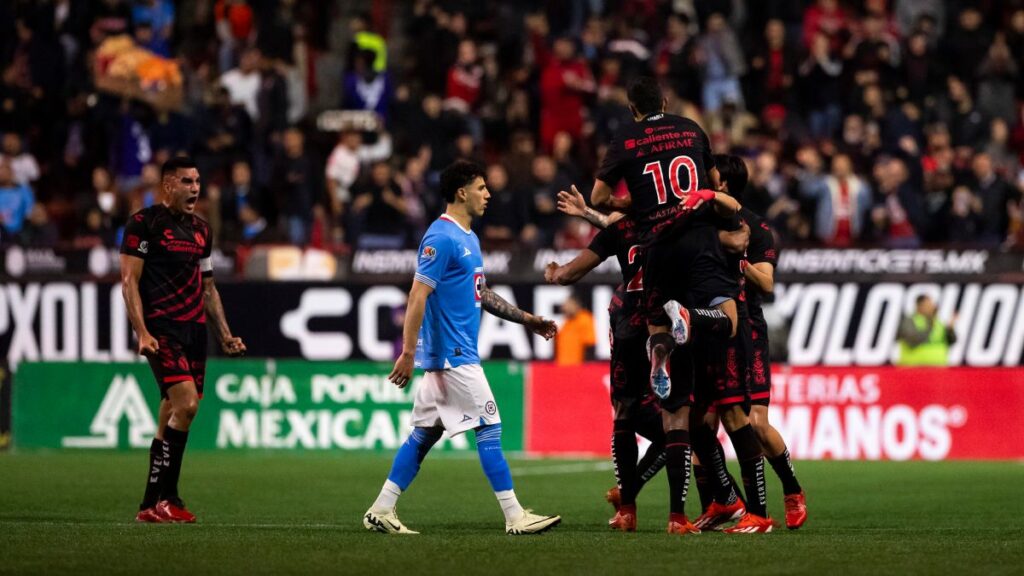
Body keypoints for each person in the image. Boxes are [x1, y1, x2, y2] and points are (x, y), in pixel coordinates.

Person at [586, 77, 753, 535]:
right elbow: (712, 185)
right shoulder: (693, 129)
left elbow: (600, 198)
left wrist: (633, 201)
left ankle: (663, 342)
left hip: (656, 244)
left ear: (632, 109)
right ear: (664, 101)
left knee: (659, 323)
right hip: (697, 240)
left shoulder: (627, 139)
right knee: (726, 321)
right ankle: (689, 323)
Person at [364, 160, 561, 536]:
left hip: (449, 357)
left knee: (424, 435)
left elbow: (481, 294)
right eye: (482, 188)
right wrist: (407, 352)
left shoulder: (468, 237)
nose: (488, 195)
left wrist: (528, 319)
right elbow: (417, 295)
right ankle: (515, 515)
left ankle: (381, 508)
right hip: (453, 355)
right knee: (489, 425)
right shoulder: (441, 237)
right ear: (462, 192)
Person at [120, 156, 246, 523]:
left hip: (194, 332)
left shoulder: (202, 230)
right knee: (187, 406)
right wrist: (141, 331)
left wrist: (224, 334)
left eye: (197, 182)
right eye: (187, 182)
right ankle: (169, 498)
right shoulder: (143, 224)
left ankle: (149, 504)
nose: (195, 189)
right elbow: (129, 282)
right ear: (168, 185)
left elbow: (208, 286)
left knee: (171, 413)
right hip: (161, 330)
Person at [699, 154, 807, 531]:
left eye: (708, 174)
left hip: (748, 329)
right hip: (709, 329)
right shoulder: (702, 221)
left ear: (723, 183)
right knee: (705, 424)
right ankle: (718, 505)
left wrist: (739, 259)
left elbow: (767, 283)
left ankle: (791, 490)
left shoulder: (757, 229)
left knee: (756, 423)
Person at [897, 295, 957, 366]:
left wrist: (950, 329)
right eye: (928, 305)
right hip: (913, 368)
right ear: (919, 306)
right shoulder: (909, 321)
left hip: (938, 368)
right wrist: (930, 324)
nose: (932, 307)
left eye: (932, 304)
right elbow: (913, 341)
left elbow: (951, 341)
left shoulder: (938, 322)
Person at [554, 292, 596, 366]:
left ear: (576, 305)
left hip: (577, 366)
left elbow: (590, 345)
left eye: (569, 304)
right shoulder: (565, 322)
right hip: (561, 366)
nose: (565, 308)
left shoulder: (584, 318)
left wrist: (586, 367)